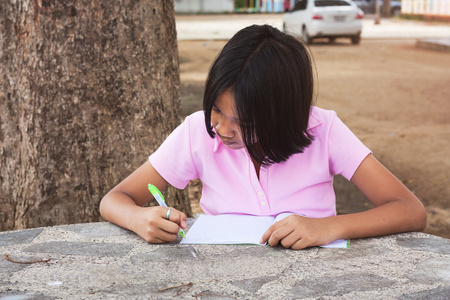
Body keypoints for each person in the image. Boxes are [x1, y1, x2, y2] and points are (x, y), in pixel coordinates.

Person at [100, 24, 427, 249]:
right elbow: (114, 200)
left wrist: (329, 227)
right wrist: (139, 218)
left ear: (284, 114)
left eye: (244, 122)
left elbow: (410, 210)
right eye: (216, 109)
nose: (223, 129)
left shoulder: (323, 130)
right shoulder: (196, 132)